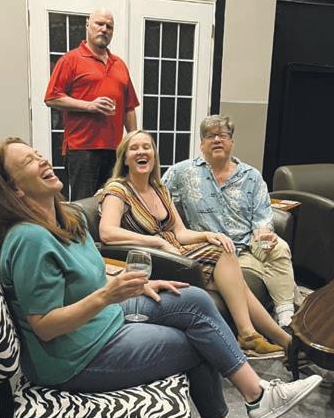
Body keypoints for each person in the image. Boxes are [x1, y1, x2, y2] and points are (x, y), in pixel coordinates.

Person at [0, 137, 322, 418]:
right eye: (28, 161)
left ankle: (258, 396)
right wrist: (106, 296)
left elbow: (87, 275)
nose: (42, 159)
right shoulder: (30, 239)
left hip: (101, 320)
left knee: (194, 299)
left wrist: (134, 284)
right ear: (15, 189)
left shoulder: (67, 218)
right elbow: (45, 326)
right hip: (75, 357)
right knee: (198, 343)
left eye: (37, 153)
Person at [99, 130, 291, 356]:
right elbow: (107, 232)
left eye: (146, 147)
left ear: (154, 155)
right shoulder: (118, 190)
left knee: (230, 269)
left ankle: (275, 339)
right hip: (153, 260)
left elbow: (180, 232)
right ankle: (259, 336)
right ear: (124, 158)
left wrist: (207, 235)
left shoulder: (159, 189)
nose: (141, 152)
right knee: (224, 258)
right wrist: (156, 242)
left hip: (178, 252)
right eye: (134, 148)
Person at [162, 114, 298, 329]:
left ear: (232, 142)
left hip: (250, 243)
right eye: (210, 136)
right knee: (264, 271)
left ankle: (286, 318)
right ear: (202, 144)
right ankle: (287, 306)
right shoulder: (182, 172)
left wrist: (264, 234)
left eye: (223, 135)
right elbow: (156, 193)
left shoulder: (251, 176)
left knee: (279, 247)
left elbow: (262, 219)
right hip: (214, 248)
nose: (217, 140)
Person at [44, 8, 139, 201]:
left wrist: (134, 141)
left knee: (113, 201)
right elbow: (51, 97)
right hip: (82, 149)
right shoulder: (70, 60)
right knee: (84, 205)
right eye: (99, 24)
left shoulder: (119, 64)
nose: (104, 29)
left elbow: (129, 108)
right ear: (88, 25)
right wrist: (89, 106)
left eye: (109, 26)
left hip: (114, 150)